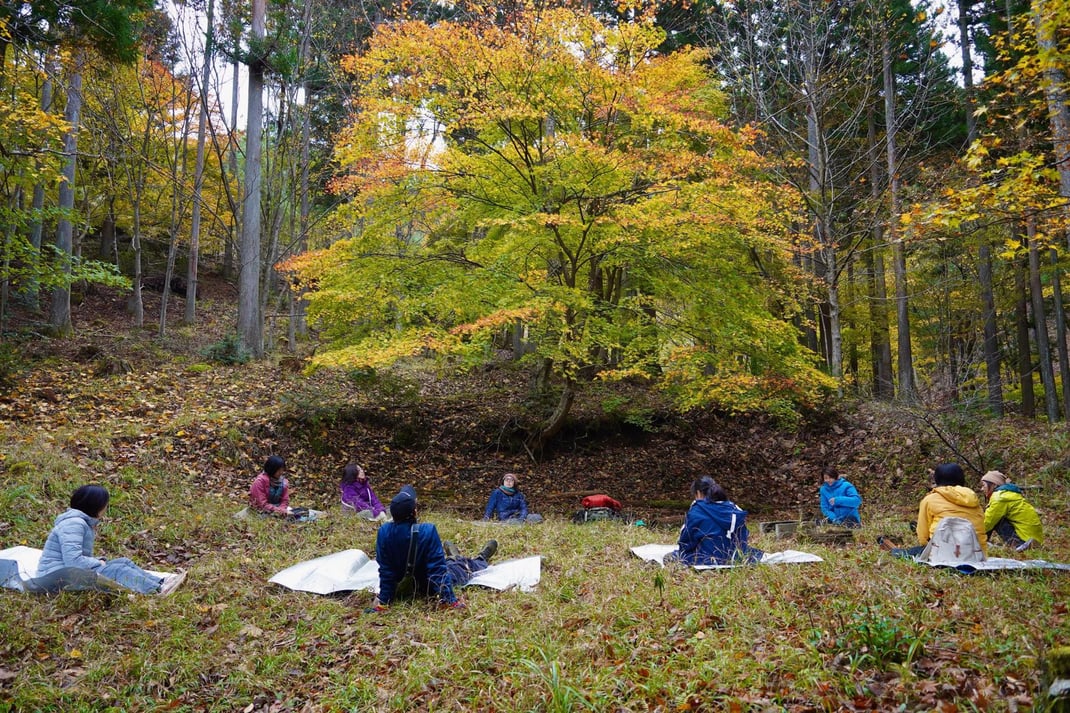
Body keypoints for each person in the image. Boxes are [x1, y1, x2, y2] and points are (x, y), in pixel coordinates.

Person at [38, 485, 186, 595]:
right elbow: (73, 561)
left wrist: (97, 561)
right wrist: (97, 563)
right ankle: (157, 590)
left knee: (123, 562)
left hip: (65, 572)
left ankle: (161, 582)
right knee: (117, 569)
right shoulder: (74, 524)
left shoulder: (81, 522)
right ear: (95, 505)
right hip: (56, 577)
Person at [371, 485, 497, 610]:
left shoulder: (383, 531)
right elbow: (437, 569)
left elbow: (386, 569)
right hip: (428, 586)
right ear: (414, 512)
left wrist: (384, 600)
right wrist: (450, 600)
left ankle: (454, 556)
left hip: (401, 586)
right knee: (462, 566)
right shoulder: (427, 530)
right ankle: (481, 557)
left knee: (450, 563)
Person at [882, 462, 987, 558]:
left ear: (937, 480)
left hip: (943, 554)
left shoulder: (930, 500)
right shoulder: (973, 499)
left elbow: (923, 538)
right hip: (976, 555)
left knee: (910, 552)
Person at [669, 477, 762, 565]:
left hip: (706, 560)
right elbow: (743, 537)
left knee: (671, 556)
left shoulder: (697, 511)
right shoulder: (734, 508)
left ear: (698, 493)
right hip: (737, 558)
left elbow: (686, 542)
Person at [980, 470, 1043, 552]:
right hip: (1032, 537)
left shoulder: (999, 498)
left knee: (995, 520)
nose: (982, 489)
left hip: (1025, 540)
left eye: (983, 485)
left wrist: (972, 536)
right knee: (994, 517)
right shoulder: (1009, 494)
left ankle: (1018, 545)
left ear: (994, 485)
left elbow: (987, 522)